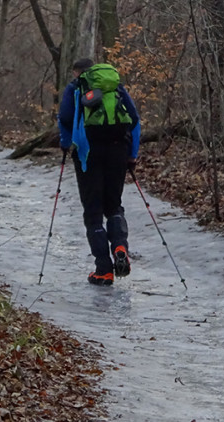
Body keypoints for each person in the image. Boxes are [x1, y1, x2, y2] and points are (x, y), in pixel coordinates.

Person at [58, 57, 141, 286]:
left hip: (88, 153)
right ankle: (120, 247)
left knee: (93, 211)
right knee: (114, 205)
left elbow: (64, 119)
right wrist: (132, 154)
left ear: (78, 73)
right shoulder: (116, 88)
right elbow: (134, 121)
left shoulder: (75, 88)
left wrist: (66, 144)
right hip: (118, 150)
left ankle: (103, 270)